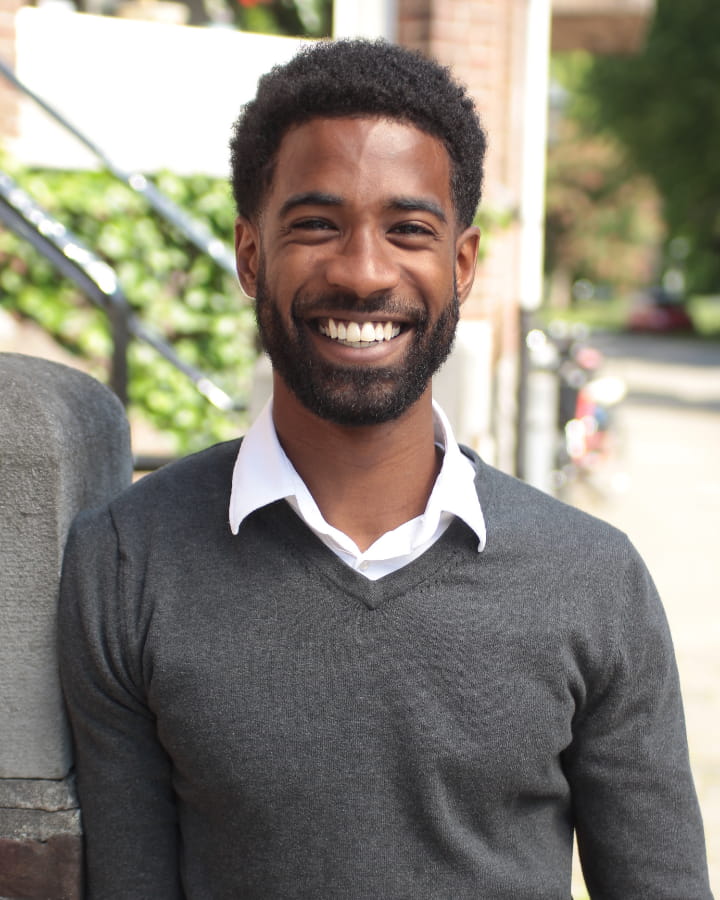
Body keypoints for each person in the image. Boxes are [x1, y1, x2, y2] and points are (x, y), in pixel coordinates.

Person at [58, 39, 713, 899]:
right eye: (317, 225)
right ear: (250, 257)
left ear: (462, 264)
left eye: (409, 230)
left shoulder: (593, 581)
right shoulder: (125, 562)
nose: (364, 272)